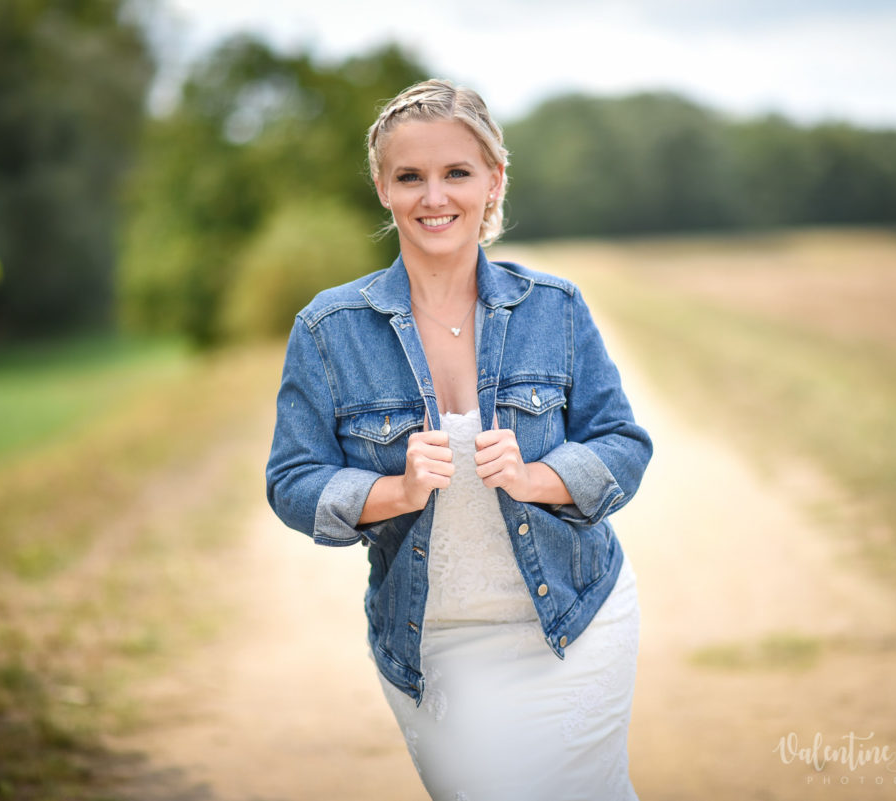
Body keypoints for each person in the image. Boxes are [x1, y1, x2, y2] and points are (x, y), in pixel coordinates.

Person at [265, 78, 653, 800]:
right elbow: (291, 480)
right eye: (410, 176)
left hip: (577, 619)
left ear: (493, 180)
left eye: (456, 173)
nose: (433, 197)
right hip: (436, 641)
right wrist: (395, 491)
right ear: (383, 187)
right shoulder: (328, 329)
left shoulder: (555, 308)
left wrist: (539, 477)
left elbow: (623, 443)